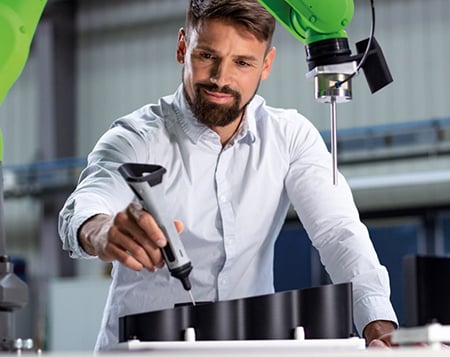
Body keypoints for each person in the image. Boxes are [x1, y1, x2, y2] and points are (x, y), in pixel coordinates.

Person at [58, 0, 398, 351]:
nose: (221, 78)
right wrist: (101, 232)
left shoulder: (290, 136)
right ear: (181, 47)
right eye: (207, 56)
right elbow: (86, 206)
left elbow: (338, 233)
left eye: (242, 62)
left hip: (249, 349)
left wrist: (378, 326)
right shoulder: (136, 136)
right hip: (144, 350)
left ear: (266, 64)